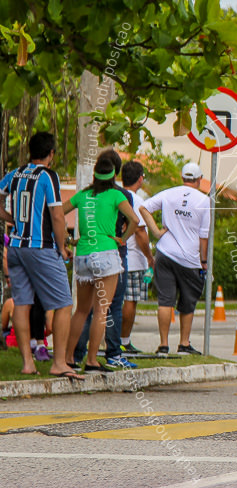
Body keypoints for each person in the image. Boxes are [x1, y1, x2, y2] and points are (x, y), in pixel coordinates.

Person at [0, 132, 80, 379]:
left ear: (29, 150)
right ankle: (59, 363)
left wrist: (10, 219)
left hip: (15, 247)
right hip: (41, 247)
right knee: (63, 303)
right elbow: (57, 216)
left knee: (22, 304)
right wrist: (63, 245)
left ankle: (27, 363)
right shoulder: (48, 176)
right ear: (51, 154)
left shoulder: (15, 173)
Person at [63, 156, 139, 372]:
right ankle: (92, 361)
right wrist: (123, 239)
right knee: (101, 310)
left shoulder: (83, 195)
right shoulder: (116, 195)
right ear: (113, 175)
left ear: (94, 174)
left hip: (83, 255)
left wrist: (67, 240)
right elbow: (134, 220)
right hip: (106, 254)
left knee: (81, 311)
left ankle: (68, 358)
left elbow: (57, 213)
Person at [139, 161, 210, 355]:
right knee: (187, 302)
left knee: (165, 301)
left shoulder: (169, 193)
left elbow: (144, 208)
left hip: (165, 253)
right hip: (189, 259)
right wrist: (203, 261)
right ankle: (184, 344)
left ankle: (163, 345)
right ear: (199, 180)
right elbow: (204, 237)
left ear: (182, 178)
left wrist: (156, 231)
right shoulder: (204, 201)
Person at [119, 160, 153, 355]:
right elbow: (140, 233)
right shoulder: (137, 201)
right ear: (140, 179)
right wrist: (149, 257)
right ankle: (124, 341)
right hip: (132, 259)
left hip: (116, 256)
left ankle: (113, 340)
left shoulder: (116, 196)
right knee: (130, 300)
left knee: (114, 301)